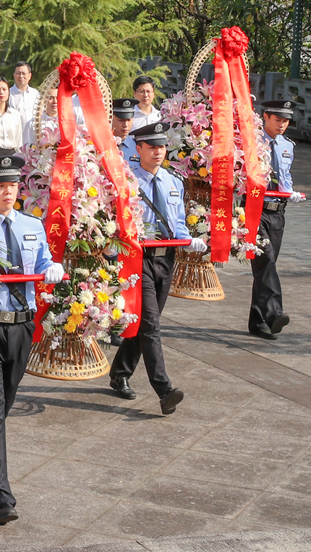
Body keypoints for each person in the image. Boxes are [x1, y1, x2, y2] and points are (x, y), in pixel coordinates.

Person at [0, 152, 65, 525]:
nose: (8, 191)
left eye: (12, 185)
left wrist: (52, 267)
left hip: (22, 327)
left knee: (1, 406)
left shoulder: (31, 224)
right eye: (0, 185)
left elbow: (42, 262)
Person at [109, 121, 206, 411]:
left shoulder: (173, 181)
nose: (158, 152)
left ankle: (119, 374)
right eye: (151, 147)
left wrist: (189, 240)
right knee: (151, 324)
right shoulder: (127, 182)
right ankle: (164, 389)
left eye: (162, 146)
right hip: (138, 259)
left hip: (167, 258)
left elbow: (177, 222)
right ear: (138, 149)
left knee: (144, 324)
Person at [250, 99, 302, 340]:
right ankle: (274, 312)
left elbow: (285, 174)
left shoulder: (287, 145)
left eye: (286, 121)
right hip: (254, 210)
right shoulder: (251, 143)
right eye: (277, 119)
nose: (282, 125)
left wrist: (290, 192)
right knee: (266, 258)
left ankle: (258, 322)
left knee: (266, 267)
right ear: (265, 117)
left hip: (278, 210)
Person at [111, 98, 139, 170]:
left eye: (129, 120)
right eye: (121, 120)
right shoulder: (101, 145)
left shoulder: (138, 146)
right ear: (110, 117)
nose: (125, 124)